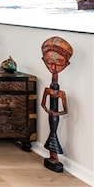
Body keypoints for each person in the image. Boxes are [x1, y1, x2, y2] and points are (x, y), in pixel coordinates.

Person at [40, 36, 73, 172]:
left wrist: (56, 113)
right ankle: (52, 156)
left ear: (66, 64)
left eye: (58, 63)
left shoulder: (60, 93)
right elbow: (43, 104)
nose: (53, 67)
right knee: (52, 133)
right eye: (49, 62)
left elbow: (65, 109)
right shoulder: (49, 90)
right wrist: (49, 111)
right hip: (52, 115)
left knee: (53, 133)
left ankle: (54, 157)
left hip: (55, 117)